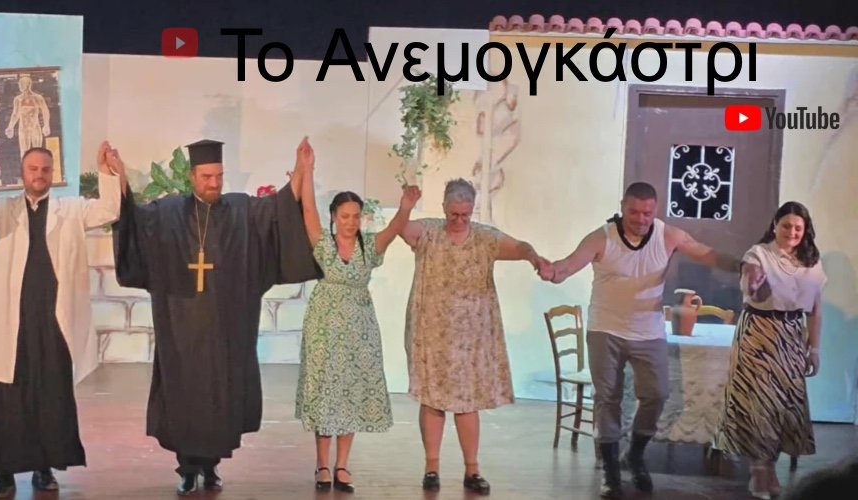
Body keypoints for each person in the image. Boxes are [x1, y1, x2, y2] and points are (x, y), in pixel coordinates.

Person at [112, 136, 321, 495]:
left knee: (218, 401)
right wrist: (118, 177)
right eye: (207, 177)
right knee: (186, 398)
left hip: (226, 328)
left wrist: (303, 170)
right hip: (181, 328)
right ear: (192, 176)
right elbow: (133, 217)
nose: (214, 183)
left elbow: (280, 208)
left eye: (219, 176)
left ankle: (210, 468)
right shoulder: (167, 213)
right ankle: (187, 469)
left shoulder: (241, 211)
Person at [543, 181, 741, 499]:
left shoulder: (667, 235)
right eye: (633, 212)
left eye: (647, 213)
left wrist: (744, 267)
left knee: (657, 394)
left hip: (648, 331)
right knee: (607, 398)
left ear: (655, 210)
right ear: (622, 207)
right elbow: (569, 264)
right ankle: (610, 471)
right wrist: (554, 272)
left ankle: (634, 453)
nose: (640, 219)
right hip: (605, 328)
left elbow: (707, 254)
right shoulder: (602, 237)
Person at [0, 143, 124, 498]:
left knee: (50, 395)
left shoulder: (71, 209)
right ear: (22, 173)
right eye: (33, 169)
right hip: (10, 321)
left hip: (53, 321)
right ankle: (2, 474)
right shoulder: (5, 209)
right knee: (3, 398)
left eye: (45, 170)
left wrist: (106, 171)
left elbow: (110, 209)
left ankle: (44, 467)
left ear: (53, 174)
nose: (39, 175)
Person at [400, 178, 549, 495]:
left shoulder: (483, 237)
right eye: (453, 214)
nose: (459, 220)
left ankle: (472, 469)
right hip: (432, 331)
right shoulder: (429, 231)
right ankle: (431, 468)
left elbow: (519, 247)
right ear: (444, 208)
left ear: (472, 211)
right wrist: (405, 207)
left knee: (467, 402)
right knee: (432, 398)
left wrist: (534, 257)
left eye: (465, 215)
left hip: (471, 336)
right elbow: (401, 229)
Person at [294, 152, 420, 494]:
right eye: (344, 216)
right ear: (335, 217)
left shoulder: (369, 246)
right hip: (324, 327)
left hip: (359, 328)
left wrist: (405, 206)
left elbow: (394, 229)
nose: (351, 222)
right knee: (326, 393)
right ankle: (322, 464)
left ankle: (343, 465)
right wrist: (307, 169)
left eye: (355, 216)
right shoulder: (324, 244)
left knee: (350, 393)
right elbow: (308, 210)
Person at [715, 201, 828, 499]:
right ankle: (759, 471)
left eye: (798, 228)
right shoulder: (759, 254)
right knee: (759, 404)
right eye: (786, 225)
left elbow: (815, 310)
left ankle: (769, 467)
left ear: (805, 230)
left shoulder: (812, 261)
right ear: (775, 225)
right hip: (759, 333)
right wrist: (752, 284)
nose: (792, 232)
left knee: (783, 405)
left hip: (791, 335)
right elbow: (748, 284)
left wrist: (814, 348)